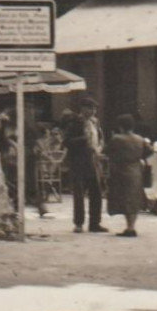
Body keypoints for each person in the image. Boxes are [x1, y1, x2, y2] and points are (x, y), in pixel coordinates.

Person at [62, 96, 106, 233]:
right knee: (79, 193)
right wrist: (83, 140)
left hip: (94, 159)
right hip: (79, 160)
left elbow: (100, 137)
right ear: (83, 109)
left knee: (96, 191)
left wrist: (99, 147)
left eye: (94, 109)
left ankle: (95, 223)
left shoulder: (95, 122)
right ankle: (79, 223)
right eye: (90, 108)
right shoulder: (76, 122)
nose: (93, 111)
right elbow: (67, 141)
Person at [105, 114, 151, 237]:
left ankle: (129, 227)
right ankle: (131, 226)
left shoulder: (117, 139)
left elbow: (107, 152)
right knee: (134, 199)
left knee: (126, 199)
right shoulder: (140, 139)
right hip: (136, 169)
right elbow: (149, 151)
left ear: (120, 126)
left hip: (121, 170)